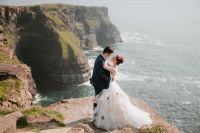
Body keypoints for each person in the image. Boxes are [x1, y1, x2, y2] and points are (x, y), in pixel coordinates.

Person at [92, 54, 152, 131]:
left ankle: (110, 119)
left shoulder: (113, 68)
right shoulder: (112, 65)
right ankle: (106, 117)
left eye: (115, 57)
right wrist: (107, 59)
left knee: (113, 103)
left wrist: (105, 58)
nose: (113, 56)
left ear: (116, 60)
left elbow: (104, 66)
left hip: (111, 86)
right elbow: (108, 65)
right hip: (110, 85)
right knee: (110, 103)